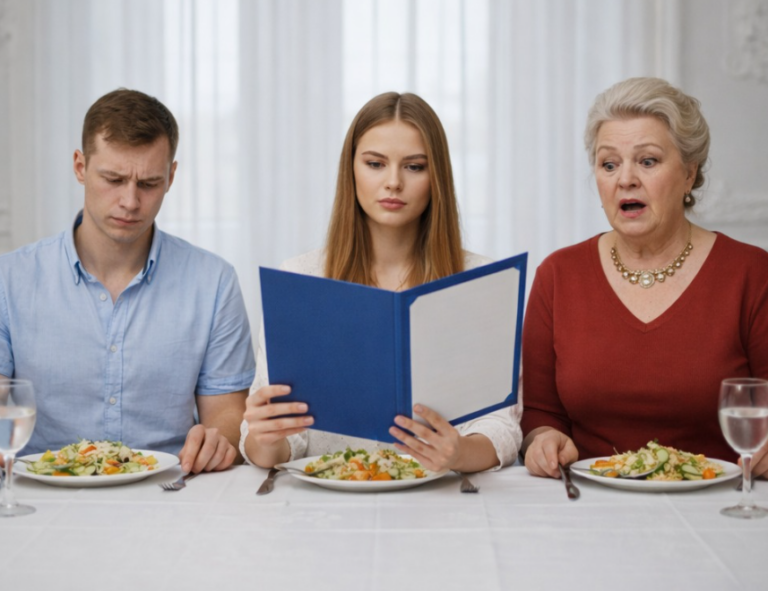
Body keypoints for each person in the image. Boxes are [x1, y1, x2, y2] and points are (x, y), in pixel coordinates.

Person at [241, 92, 522, 473]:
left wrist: (459, 454)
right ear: (351, 170)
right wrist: (263, 436)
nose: (393, 182)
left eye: (414, 167)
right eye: (375, 163)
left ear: (436, 175)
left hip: (441, 503)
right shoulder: (299, 278)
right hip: (326, 507)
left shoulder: (481, 283)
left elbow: (501, 425)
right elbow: (277, 442)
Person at [521, 77, 768, 479]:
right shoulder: (558, 275)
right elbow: (540, 413)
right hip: (590, 500)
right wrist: (543, 440)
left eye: (648, 161)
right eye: (609, 164)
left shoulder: (752, 273)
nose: (625, 179)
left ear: (690, 174)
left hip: (715, 504)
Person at [0, 89, 255, 473]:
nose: (131, 202)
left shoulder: (213, 282)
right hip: (42, 496)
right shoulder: (9, 280)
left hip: (171, 493)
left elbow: (228, 418)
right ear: (80, 167)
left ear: (171, 176)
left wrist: (220, 440)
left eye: (149, 183)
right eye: (114, 179)